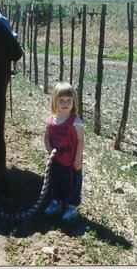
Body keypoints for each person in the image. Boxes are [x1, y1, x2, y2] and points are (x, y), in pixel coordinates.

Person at [44, 82, 85, 221]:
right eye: (61, 100)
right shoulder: (51, 120)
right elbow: (47, 136)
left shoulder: (76, 121)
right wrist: (49, 149)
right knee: (56, 182)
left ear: (73, 102)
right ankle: (56, 202)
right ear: (54, 101)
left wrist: (78, 159)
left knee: (72, 184)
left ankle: (71, 207)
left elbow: (81, 141)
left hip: (72, 162)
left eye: (69, 100)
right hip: (57, 160)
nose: (65, 103)